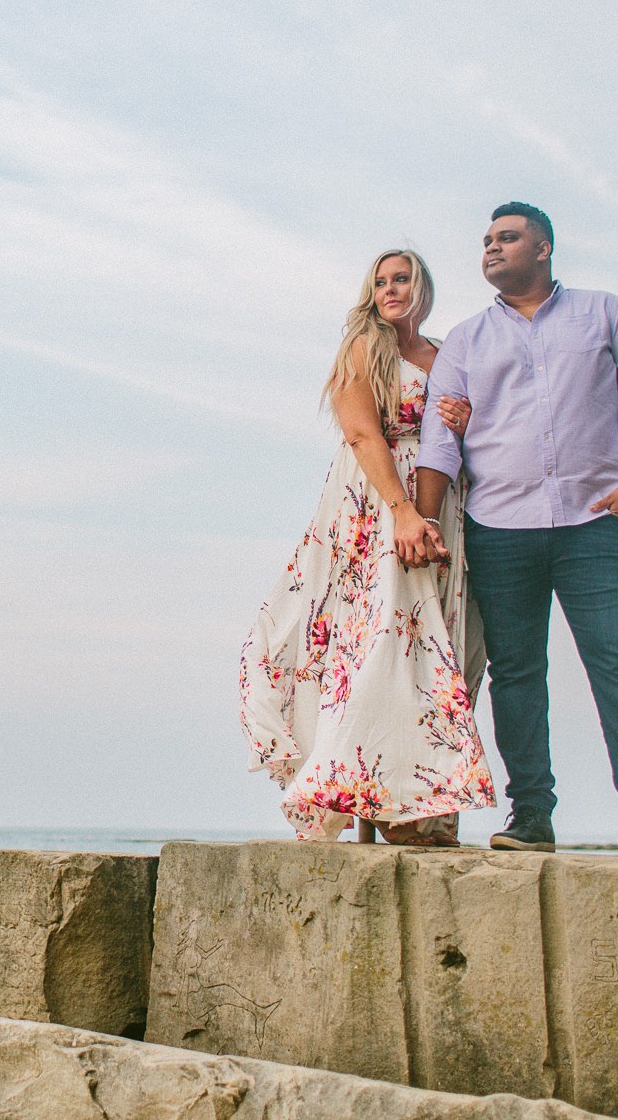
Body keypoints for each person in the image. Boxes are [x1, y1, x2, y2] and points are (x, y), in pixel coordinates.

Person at [412, 202, 618, 860]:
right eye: (486, 239)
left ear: (543, 248)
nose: (491, 247)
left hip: (596, 526)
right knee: (518, 674)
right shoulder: (466, 339)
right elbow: (440, 438)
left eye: (507, 237)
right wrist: (427, 521)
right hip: (501, 528)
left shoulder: (606, 313)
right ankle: (531, 817)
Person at [239, 249, 494, 845]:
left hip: (444, 502)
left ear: (422, 285)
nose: (390, 290)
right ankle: (368, 795)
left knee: (435, 647)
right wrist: (402, 511)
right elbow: (359, 431)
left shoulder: (443, 355)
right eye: (380, 281)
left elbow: (473, 436)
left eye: (401, 279)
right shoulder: (364, 346)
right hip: (378, 500)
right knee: (376, 642)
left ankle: (416, 796)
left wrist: (465, 418)